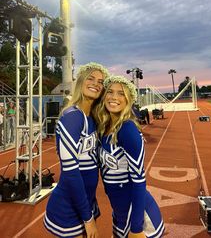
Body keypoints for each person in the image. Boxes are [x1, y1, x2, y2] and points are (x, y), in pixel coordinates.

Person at [44, 62, 109, 238]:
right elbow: (71, 172)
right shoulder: (73, 117)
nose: (96, 83)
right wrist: (88, 219)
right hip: (69, 206)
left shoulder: (92, 118)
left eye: (101, 82)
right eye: (91, 78)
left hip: (86, 201)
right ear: (80, 82)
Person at [96, 75, 165, 238]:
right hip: (120, 212)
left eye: (121, 94)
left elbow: (139, 181)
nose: (114, 97)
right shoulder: (105, 127)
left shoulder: (127, 130)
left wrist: (136, 228)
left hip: (138, 217)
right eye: (110, 92)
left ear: (128, 100)